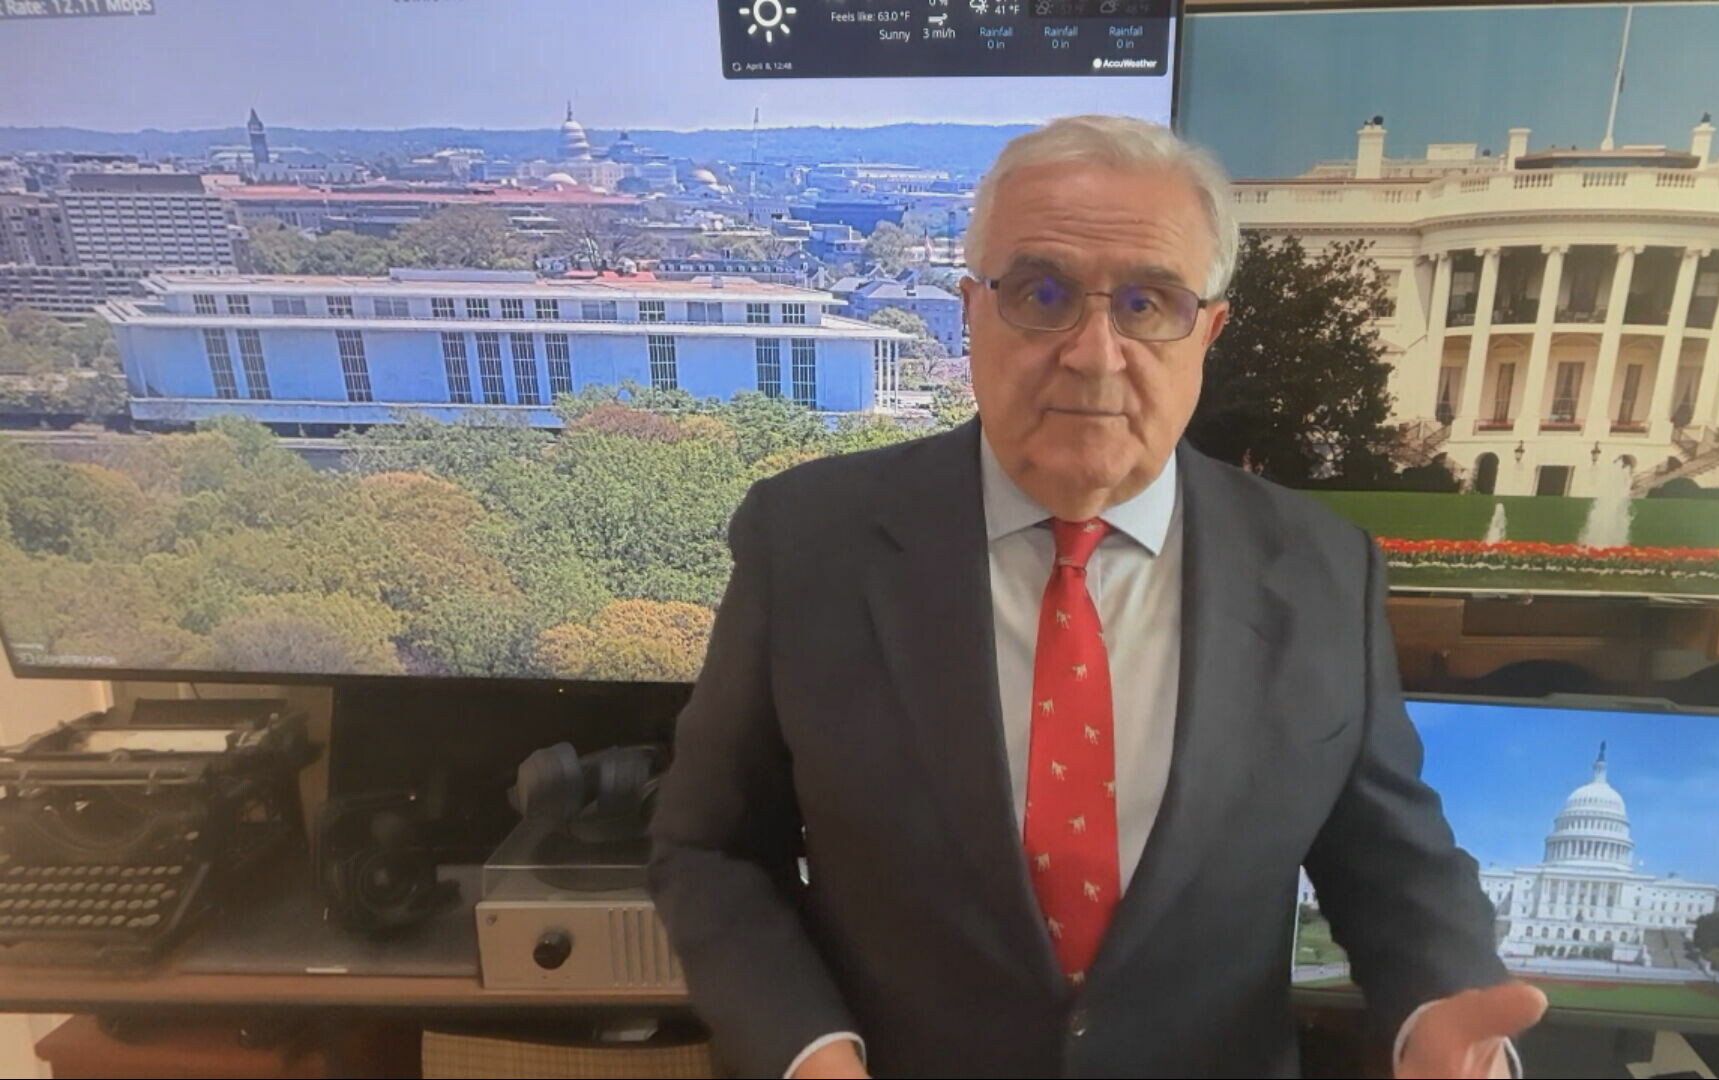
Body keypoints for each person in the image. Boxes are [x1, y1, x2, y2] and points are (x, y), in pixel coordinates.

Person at [649, 115, 1546, 1078]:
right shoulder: (808, 542)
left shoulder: (1323, 570)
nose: (1094, 352)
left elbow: (1393, 861)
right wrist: (806, 1054)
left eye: (1148, 303)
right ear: (971, 312)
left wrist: (1444, 1018)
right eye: (1041, 294)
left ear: (1208, 332)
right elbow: (710, 849)